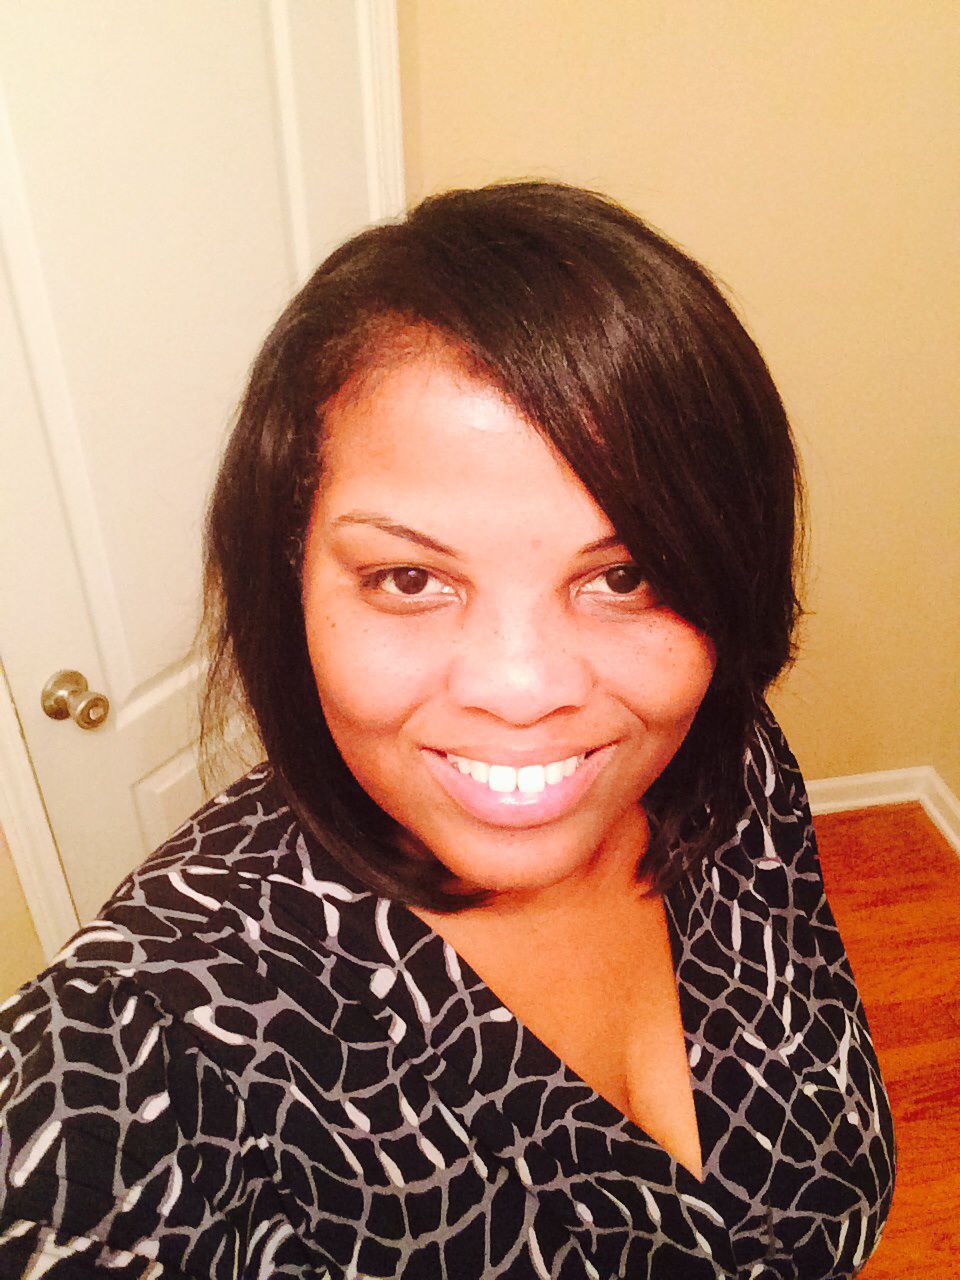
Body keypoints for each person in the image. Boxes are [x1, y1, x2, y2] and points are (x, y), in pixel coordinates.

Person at [0, 182, 895, 1279]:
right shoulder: (144, 1052)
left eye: (626, 575)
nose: (522, 690)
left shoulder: (733, 768)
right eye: (409, 578)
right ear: (290, 584)